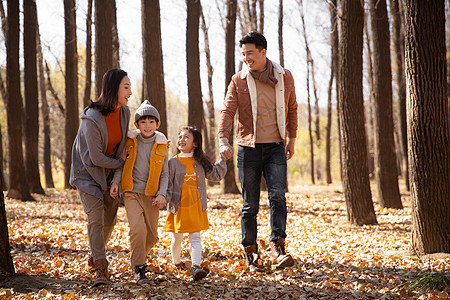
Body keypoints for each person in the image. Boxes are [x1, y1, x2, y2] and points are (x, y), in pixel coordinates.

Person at [218, 31, 298, 272]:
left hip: (275, 147)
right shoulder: (239, 80)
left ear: (263, 52)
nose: (246, 58)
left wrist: (291, 139)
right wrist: (223, 140)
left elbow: (292, 109)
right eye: (243, 54)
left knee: (277, 197)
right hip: (248, 149)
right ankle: (251, 253)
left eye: (250, 53)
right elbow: (227, 110)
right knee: (249, 205)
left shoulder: (285, 77)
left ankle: (277, 248)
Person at [70, 68, 132, 286]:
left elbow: (121, 150)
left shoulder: (125, 113)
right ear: (114, 89)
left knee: (109, 220)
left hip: (109, 171)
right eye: (126, 87)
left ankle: (95, 254)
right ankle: (100, 269)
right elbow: (96, 158)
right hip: (86, 173)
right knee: (96, 217)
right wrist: (121, 163)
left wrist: (116, 179)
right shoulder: (91, 118)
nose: (130, 92)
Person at [110, 100, 169, 284]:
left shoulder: (161, 143)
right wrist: (115, 182)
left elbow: (165, 173)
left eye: (152, 122)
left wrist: (162, 194)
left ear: (157, 124)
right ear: (136, 125)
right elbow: (122, 164)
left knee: (151, 236)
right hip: (131, 192)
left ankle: (138, 257)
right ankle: (139, 268)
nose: (147, 125)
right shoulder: (130, 141)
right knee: (138, 229)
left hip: (151, 194)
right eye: (143, 122)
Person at [163, 127, 227, 281]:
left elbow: (216, 174)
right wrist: (163, 198)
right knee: (176, 238)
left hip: (196, 206)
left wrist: (223, 159)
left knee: (195, 237)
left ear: (195, 143)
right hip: (178, 207)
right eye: (180, 137)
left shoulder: (200, 163)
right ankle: (177, 262)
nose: (181, 139)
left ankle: (196, 267)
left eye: (186, 137)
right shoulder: (172, 162)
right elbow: (167, 183)